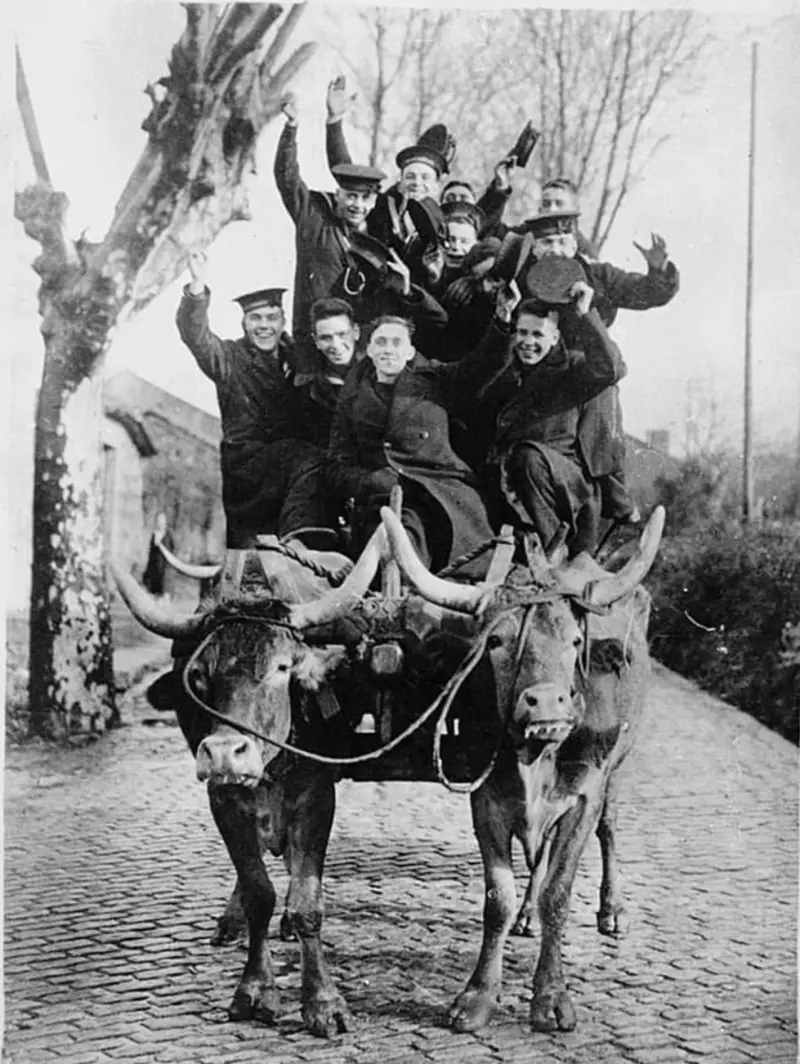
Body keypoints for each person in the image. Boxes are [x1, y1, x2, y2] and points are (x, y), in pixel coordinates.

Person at [325, 283, 521, 578]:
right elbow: (337, 465)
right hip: (384, 497)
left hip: (442, 489)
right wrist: (370, 481)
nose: (388, 350)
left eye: (396, 343)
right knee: (395, 559)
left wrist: (503, 317)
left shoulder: (435, 379)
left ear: (409, 352)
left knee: (463, 565)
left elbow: (482, 365)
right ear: (369, 350)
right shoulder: (352, 398)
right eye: (381, 343)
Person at [521, 205, 680, 526]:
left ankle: (608, 480)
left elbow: (646, 293)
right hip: (533, 371)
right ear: (535, 247)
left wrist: (658, 269)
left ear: (575, 245)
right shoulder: (522, 277)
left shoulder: (597, 276)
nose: (555, 251)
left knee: (603, 386)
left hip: (586, 373)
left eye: (562, 242)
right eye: (546, 243)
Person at [275, 89, 447, 373]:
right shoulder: (317, 218)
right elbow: (290, 177)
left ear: (375, 199)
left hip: (363, 349)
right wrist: (297, 127)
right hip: (315, 343)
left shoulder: (387, 232)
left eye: (364, 197)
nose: (357, 204)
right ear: (338, 195)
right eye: (350, 196)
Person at [175, 252, 327, 547]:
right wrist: (197, 286)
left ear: (283, 321)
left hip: (289, 474)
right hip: (250, 470)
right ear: (244, 323)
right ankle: (300, 540)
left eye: (272, 318)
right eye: (255, 318)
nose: (264, 326)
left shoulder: (299, 359)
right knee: (249, 559)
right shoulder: (229, 358)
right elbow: (196, 336)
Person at [480, 281, 626, 558]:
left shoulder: (572, 370)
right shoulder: (506, 377)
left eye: (538, 335)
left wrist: (585, 313)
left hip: (566, 487)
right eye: (522, 332)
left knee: (526, 456)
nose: (528, 342)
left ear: (556, 338)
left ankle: (552, 550)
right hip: (515, 485)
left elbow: (609, 369)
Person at [142, 512, 174, 598]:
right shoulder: (154, 535)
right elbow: (151, 556)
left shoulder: (169, 535)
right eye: (158, 520)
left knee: (165, 598)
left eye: (162, 520)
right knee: (155, 598)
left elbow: (172, 552)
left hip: (166, 573)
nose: (160, 522)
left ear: (165, 521)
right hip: (155, 573)